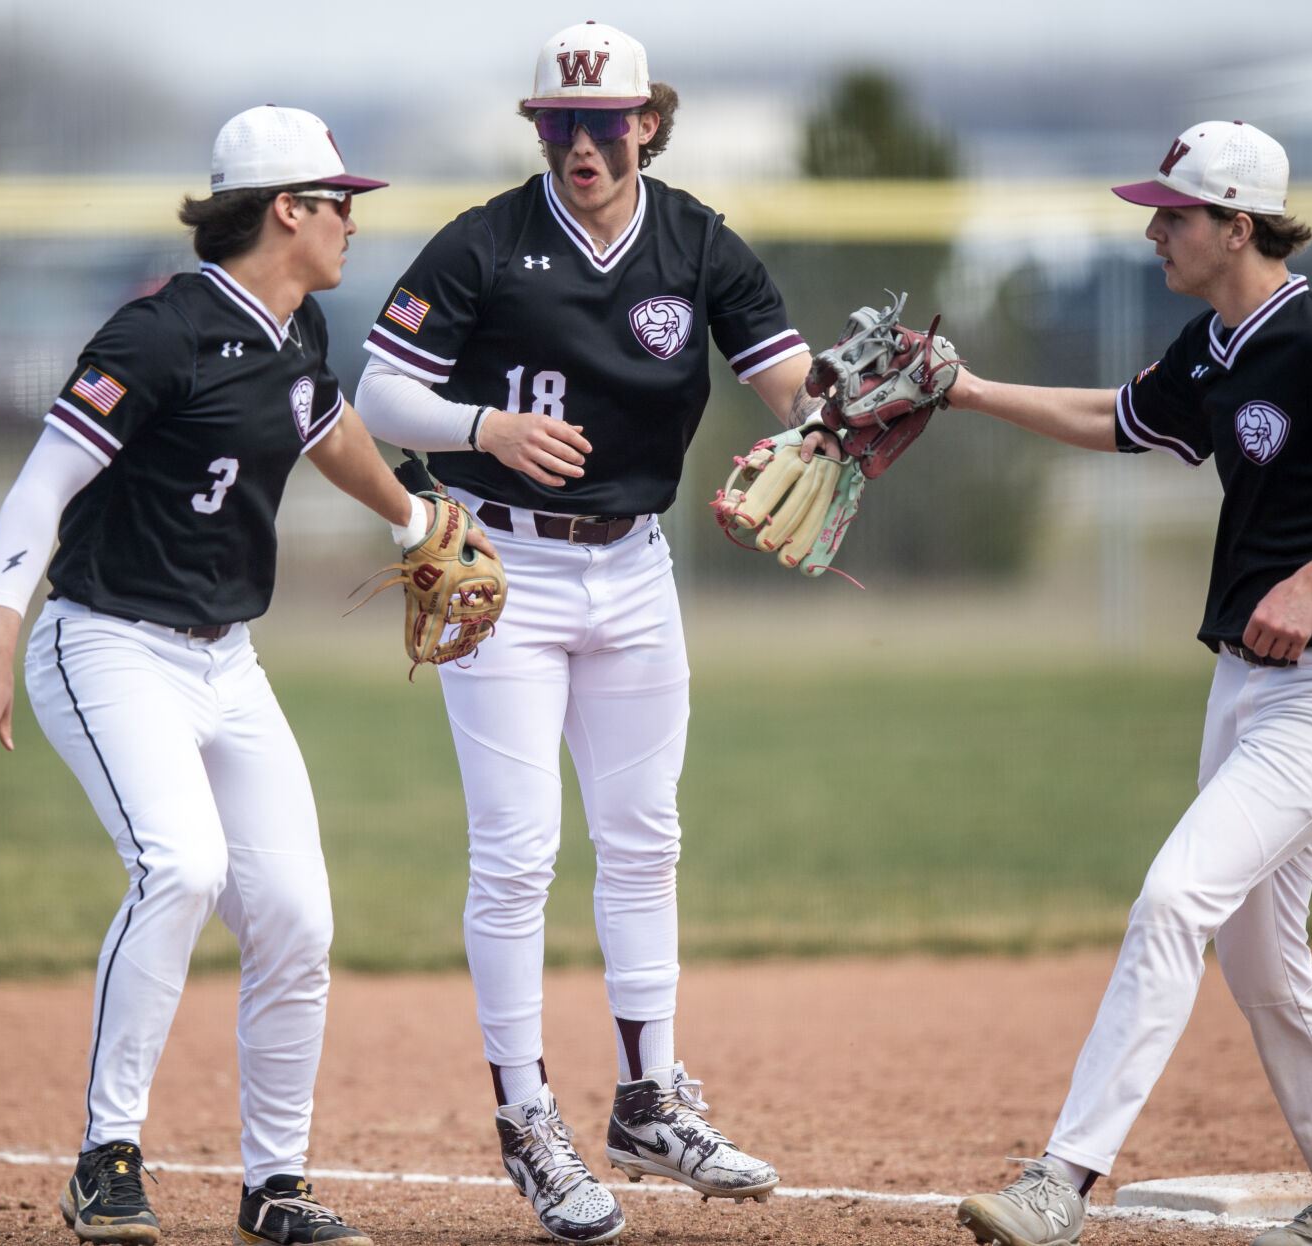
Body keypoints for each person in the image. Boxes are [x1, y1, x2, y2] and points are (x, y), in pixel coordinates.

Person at [0, 105, 489, 1246]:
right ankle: (106, 1158)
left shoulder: (298, 323)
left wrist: (413, 515)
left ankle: (275, 1187)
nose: (351, 223)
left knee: (295, 918)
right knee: (179, 866)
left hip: (226, 660)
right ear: (288, 209)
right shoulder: (157, 334)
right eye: (340, 203)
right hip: (105, 643)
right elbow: (40, 488)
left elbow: (321, 424)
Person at [946, 121, 1312, 1246]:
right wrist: (969, 390)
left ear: (1238, 225)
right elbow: (1118, 419)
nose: (1151, 231)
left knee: (1175, 898)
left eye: (1172, 215)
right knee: (1259, 954)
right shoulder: (1215, 344)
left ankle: (1060, 1179)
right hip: (1246, 690)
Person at [354, 20, 831, 1245]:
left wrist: (859, 402)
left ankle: (649, 1098)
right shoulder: (484, 243)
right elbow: (380, 395)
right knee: (517, 855)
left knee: (645, 836)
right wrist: (482, 429)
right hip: (503, 569)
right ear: (539, 129)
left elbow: (793, 384)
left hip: (634, 566)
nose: (580, 143)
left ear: (646, 125)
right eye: (559, 123)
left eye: (603, 122)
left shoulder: (695, 239)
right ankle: (524, 1117)